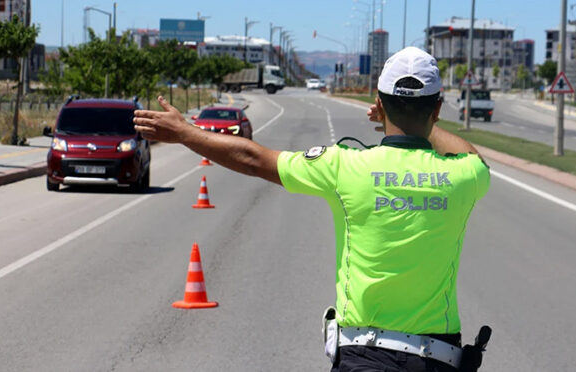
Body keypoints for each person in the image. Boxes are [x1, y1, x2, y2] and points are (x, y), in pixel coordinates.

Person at [133, 46, 490, 372]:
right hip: (438, 361)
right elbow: (474, 157)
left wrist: (185, 132)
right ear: (438, 108)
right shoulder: (462, 174)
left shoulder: (345, 166)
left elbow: (253, 159)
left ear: (379, 103)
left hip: (364, 358)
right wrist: (428, 125)